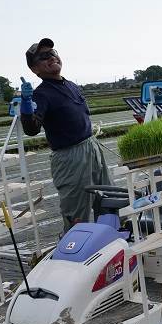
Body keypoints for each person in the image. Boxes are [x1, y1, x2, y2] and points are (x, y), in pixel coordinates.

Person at [19, 38, 111, 232]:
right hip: (70, 157)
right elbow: (31, 128)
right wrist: (26, 104)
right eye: (43, 57)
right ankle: (76, 253)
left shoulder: (71, 85)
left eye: (53, 53)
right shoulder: (41, 94)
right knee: (77, 212)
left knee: (108, 201)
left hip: (91, 148)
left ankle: (110, 243)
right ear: (35, 69)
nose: (51, 57)